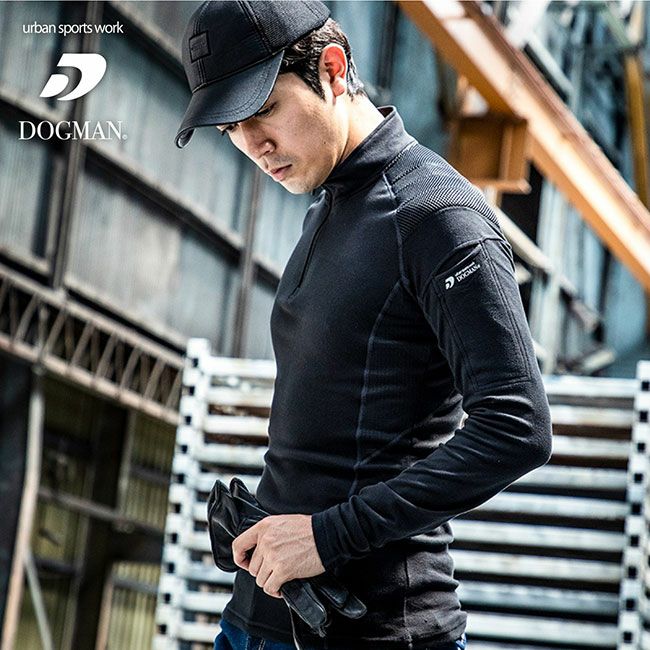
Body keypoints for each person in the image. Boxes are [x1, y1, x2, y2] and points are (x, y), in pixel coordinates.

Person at [175, 2, 553, 649]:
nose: (253, 144)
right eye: (231, 128)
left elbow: (518, 426)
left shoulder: (437, 216)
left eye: (264, 110)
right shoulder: (327, 208)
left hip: (375, 631)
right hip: (257, 622)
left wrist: (328, 536)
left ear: (332, 69)